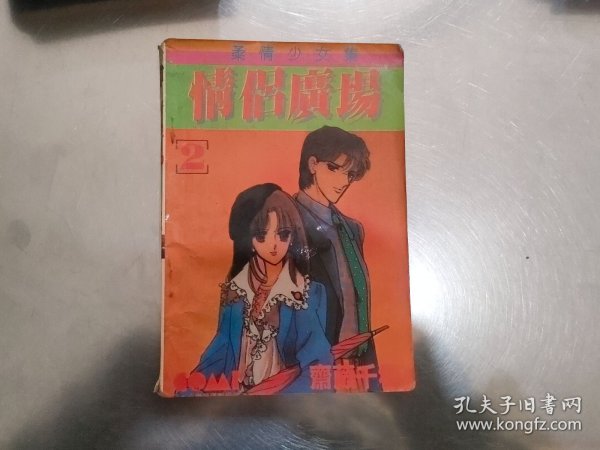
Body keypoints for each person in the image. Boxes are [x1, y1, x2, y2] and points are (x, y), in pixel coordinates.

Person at [192, 183, 332, 394]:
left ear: (293, 236)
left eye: (283, 234)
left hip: (285, 400)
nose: (274, 245)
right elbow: (221, 351)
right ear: (248, 240)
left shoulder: (307, 293)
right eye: (261, 236)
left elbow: (318, 362)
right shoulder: (235, 292)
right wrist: (188, 389)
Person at [294, 125, 381, 391]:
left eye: (350, 174)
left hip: (359, 361)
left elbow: (357, 299)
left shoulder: (352, 229)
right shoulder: (284, 222)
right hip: (310, 364)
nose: (344, 181)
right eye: (334, 168)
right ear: (313, 164)